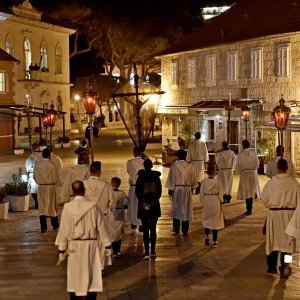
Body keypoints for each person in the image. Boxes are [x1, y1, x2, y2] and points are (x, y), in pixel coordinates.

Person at [55, 180, 112, 300]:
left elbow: (64, 229)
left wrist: (61, 249)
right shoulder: (93, 207)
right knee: (91, 276)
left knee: (75, 276)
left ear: (73, 191)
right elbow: (101, 227)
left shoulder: (67, 208)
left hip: (74, 247)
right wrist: (107, 245)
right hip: (90, 245)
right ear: (84, 190)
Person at [261, 159, 300, 277]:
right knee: (287, 245)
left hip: (274, 215)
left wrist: (272, 206)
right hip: (289, 216)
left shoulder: (271, 183)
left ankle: (272, 267)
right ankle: (285, 268)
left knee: (273, 242)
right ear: (287, 168)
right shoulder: (294, 183)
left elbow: (264, 198)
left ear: (277, 168)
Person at [83, 161, 114, 269]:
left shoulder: (83, 184)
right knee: (101, 242)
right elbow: (112, 202)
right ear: (99, 171)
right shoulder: (106, 186)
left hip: (87, 217)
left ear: (90, 171)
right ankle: (100, 267)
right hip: (103, 216)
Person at [166, 149, 197, 236]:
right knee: (186, 208)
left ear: (178, 156)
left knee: (176, 208)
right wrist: (193, 187)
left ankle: (176, 228)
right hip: (187, 189)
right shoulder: (191, 166)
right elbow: (194, 178)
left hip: (177, 189)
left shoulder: (174, 166)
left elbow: (171, 179)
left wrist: (170, 191)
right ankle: (185, 229)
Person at [135, 159, 162, 259]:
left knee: (145, 229)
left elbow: (137, 192)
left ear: (144, 166)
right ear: (152, 166)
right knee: (153, 229)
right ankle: (153, 251)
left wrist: (143, 200)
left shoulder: (140, 177)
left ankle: (146, 252)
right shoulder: (156, 177)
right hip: (154, 206)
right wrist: (154, 199)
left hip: (143, 206)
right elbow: (159, 192)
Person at [33, 148, 59, 233]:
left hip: (41, 187)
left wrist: (40, 182)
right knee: (52, 206)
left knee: (42, 207)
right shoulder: (53, 165)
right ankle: (55, 224)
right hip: (51, 187)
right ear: (49, 155)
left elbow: (34, 176)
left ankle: (43, 227)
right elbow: (56, 177)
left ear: (42, 155)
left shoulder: (38, 165)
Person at [200, 165, 224, 248]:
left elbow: (201, 194)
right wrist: (221, 200)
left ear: (207, 172)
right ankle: (214, 241)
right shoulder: (218, 182)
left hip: (207, 200)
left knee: (207, 219)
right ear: (214, 173)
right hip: (215, 200)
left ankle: (207, 236)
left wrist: (203, 202)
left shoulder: (203, 182)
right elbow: (221, 193)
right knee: (215, 221)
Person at [235, 140, 259, 215]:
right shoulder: (254, 153)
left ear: (243, 145)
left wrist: (238, 172)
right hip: (252, 173)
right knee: (251, 190)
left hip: (244, 174)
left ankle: (248, 207)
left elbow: (238, 165)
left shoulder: (240, 154)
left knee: (247, 190)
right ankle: (249, 206)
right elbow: (257, 163)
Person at [127, 146, 144, 233]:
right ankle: (141, 224)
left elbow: (128, 171)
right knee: (141, 205)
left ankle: (133, 224)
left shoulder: (130, 162)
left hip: (133, 186)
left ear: (134, 153)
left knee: (133, 205)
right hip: (142, 187)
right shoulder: (144, 162)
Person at [110, 177, 129, 258]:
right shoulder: (122, 193)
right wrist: (123, 207)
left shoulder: (108, 193)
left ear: (111, 184)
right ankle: (117, 250)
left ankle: (112, 249)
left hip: (110, 215)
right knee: (118, 232)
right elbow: (127, 203)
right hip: (120, 214)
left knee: (111, 232)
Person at [25, 143, 42, 208]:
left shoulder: (31, 156)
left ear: (32, 148)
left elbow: (28, 166)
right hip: (42, 174)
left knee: (33, 190)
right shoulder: (42, 155)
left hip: (32, 175)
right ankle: (40, 202)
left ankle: (37, 202)